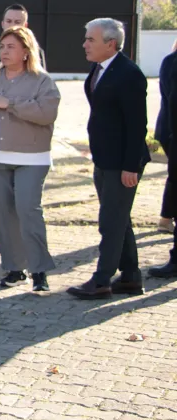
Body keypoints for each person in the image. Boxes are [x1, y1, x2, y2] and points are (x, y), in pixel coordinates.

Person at [67, 18, 150, 300]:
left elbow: (138, 125)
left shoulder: (129, 74)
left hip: (122, 163)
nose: (84, 44)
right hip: (103, 158)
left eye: (91, 39)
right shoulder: (99, 68)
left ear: (110, 44)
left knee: (110, 223)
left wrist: (130, 167)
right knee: (119, 219)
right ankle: (130, 277)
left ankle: (102, 280)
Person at [0, 26, 60, 293]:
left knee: (27, 210)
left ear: (26, 51)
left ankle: (39, 270)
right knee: (3, 215)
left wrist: (11, 104)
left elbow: (47, 113)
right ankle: (14, 269)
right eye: (2, 47)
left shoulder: (41, 80)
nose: (5, 51)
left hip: (31, 158)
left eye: (11, 47)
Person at [0, 4, 46, 73]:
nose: (12, 26)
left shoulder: (34, 51)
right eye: (9, 21)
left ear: (25, 26)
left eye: (17, 22)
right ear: (2, 24)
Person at [154, 41, 177, 234]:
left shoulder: (169, 60)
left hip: (167, 127)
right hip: (171, 128)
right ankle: (166, 218)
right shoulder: (172, 61)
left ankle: (166, 217)